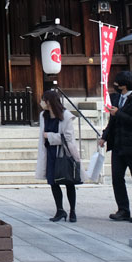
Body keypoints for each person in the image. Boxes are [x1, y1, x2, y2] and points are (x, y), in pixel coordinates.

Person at [100, 70, 132, 223]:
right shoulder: (116, 98)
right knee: (117, 178)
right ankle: (123, 209)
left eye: (117, 83)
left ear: (124, 84)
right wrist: (104, 137)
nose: (114, 85)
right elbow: (112, 121)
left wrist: (119, 114)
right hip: (118, 144)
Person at [35, 88, 81, 222]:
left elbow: (68, 137)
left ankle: (72, 210)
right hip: (49, 152)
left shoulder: (65, 116)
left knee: (68, 181)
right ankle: (60, 209)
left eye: (44, 100)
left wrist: (49, 136)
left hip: (63, 153)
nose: (42, 103)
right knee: (53, 182)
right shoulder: (44, 115)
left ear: (49, 102)